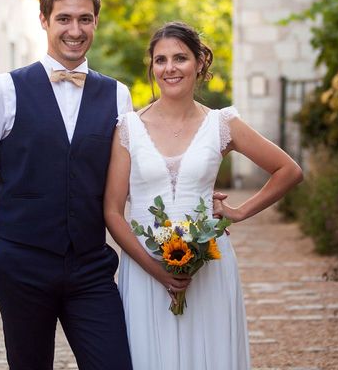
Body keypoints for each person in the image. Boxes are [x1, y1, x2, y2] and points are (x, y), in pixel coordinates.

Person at [0, 0, 134, 370]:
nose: (75, 29)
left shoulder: (118, 95)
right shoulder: (6, 88)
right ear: (44, 20)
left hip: (90, 266)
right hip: (22, 265)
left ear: (96, 23)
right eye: (64, 18)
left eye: (85, 19)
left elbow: (130, 180)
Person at [103, 21, 304, 369]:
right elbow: (112, 212)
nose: (170, 68)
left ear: (199, 63)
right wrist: (157, 271)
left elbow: (289, 170)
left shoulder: (222, 124)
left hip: (208, 265)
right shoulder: (128, 128)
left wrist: (238, 212)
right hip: (144, 266)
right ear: (151, 66)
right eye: (161, 60)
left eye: (180, 58)